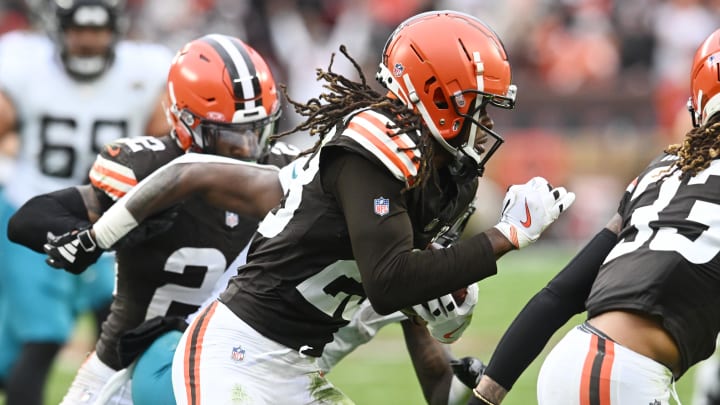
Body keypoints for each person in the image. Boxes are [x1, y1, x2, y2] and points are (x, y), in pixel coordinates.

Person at [42, 10, 575, 404]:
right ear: (435, 93)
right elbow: (390, 280)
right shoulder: (374, 144)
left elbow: (421, 305)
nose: (484, 121)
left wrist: (451, 314)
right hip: (240, 354)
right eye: (475, 105)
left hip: (299, 366)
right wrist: (505, 237)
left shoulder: (434, 171)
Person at [6, 33, 291, 404]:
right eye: (228, 138)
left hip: (231, 367)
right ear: (184, 122)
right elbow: (29, 218)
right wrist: (93, 237)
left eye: (258, 132)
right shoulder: (150, 171)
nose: (247, 152)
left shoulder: (283, 170)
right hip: (126, 369)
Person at [469, 27, 720, 405]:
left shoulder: (661, 170)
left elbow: (559, 295)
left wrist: (484, 398)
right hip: (619, 375)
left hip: (592, 363)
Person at [0, 0, 172, 403]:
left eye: (97, 30)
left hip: (113, 215)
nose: (88, 41)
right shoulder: (23, 62)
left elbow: (165, 142)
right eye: (79, 30)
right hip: (35, 207)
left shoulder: (145, 70)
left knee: (121, 331)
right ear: (59, 28)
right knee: (42, 339)